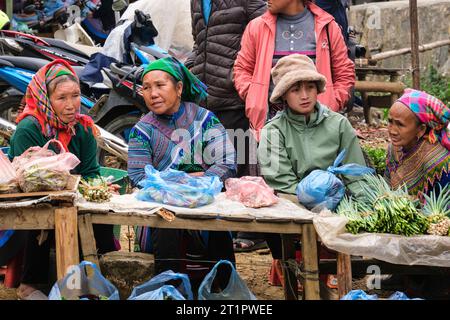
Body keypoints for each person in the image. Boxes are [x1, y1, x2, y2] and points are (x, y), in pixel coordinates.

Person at [0, 59, 116, 300]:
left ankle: (98, 279)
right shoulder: (28, 130)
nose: (72, 105)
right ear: (46, 99)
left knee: (103, 215)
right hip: (30, 203)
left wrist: (98, 187)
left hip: (73, 198)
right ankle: (31, 284)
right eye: (62, 98)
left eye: (75, 96)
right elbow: (25, 183)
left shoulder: (82, 128)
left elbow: (91, 171)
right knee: (43, 219)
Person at [257, 54, 366, 298]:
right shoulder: (274, 131)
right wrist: (315, 203)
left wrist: (362, 206)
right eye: (295, 89)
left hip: (337, 201)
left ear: (318, 89)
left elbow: (355, 171)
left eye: (309, 87)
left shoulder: (338, 124)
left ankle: (331, 276)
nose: (304, 95)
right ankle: (296, 274)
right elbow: (281, 180)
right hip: (293, 202)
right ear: (284, 95)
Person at [127, 57, 237, 290]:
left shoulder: (205, 120)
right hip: (162, 205)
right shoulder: (142, 130)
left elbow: (227, 161)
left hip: (204, 200)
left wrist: (202, 184)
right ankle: (170, 289)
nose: (153, 93)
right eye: (146, 88)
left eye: (160, 85)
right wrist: (176, 184)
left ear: (178, 88)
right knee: (166, 221)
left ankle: (222, 289)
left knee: (217, 224)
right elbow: (137, 175)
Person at [187, 0, 268, 252]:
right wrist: (190, 67)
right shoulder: (196, 2)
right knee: (218, 163)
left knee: (244, 161)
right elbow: (200, 42)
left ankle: (253, 229)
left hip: (236, 93)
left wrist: (241, 75)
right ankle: (225, 228)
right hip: (208, 93)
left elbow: (266, 30)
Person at [234, 0, 355, 142]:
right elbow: (242, 69)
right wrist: (254, 96)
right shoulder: (257, 27)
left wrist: (331, 102)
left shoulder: (327, 26)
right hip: (269, 127)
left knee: (316, 164)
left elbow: (344, 73)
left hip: (317, 125)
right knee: (271, 164)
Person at [383, 89, 450, 299]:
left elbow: (443, 213)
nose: (392, 130)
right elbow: (388, 185)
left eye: (400, 124)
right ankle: (404, 274)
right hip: (409, 224)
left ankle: (432, 280)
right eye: (390, 121)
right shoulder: (393, 149)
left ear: (421, 129)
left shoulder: (437, 160)